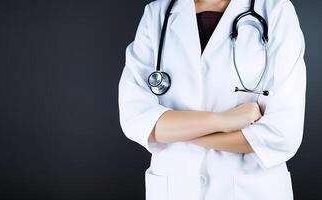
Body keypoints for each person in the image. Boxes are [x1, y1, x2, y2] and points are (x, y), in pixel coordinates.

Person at [118, 0, 306, 199]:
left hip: (251, 189)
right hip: (177, 187)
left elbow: (282, 134)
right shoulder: (157, 13)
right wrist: (223, 121)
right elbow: (135, 119)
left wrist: (175, 132)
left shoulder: (275, 10)